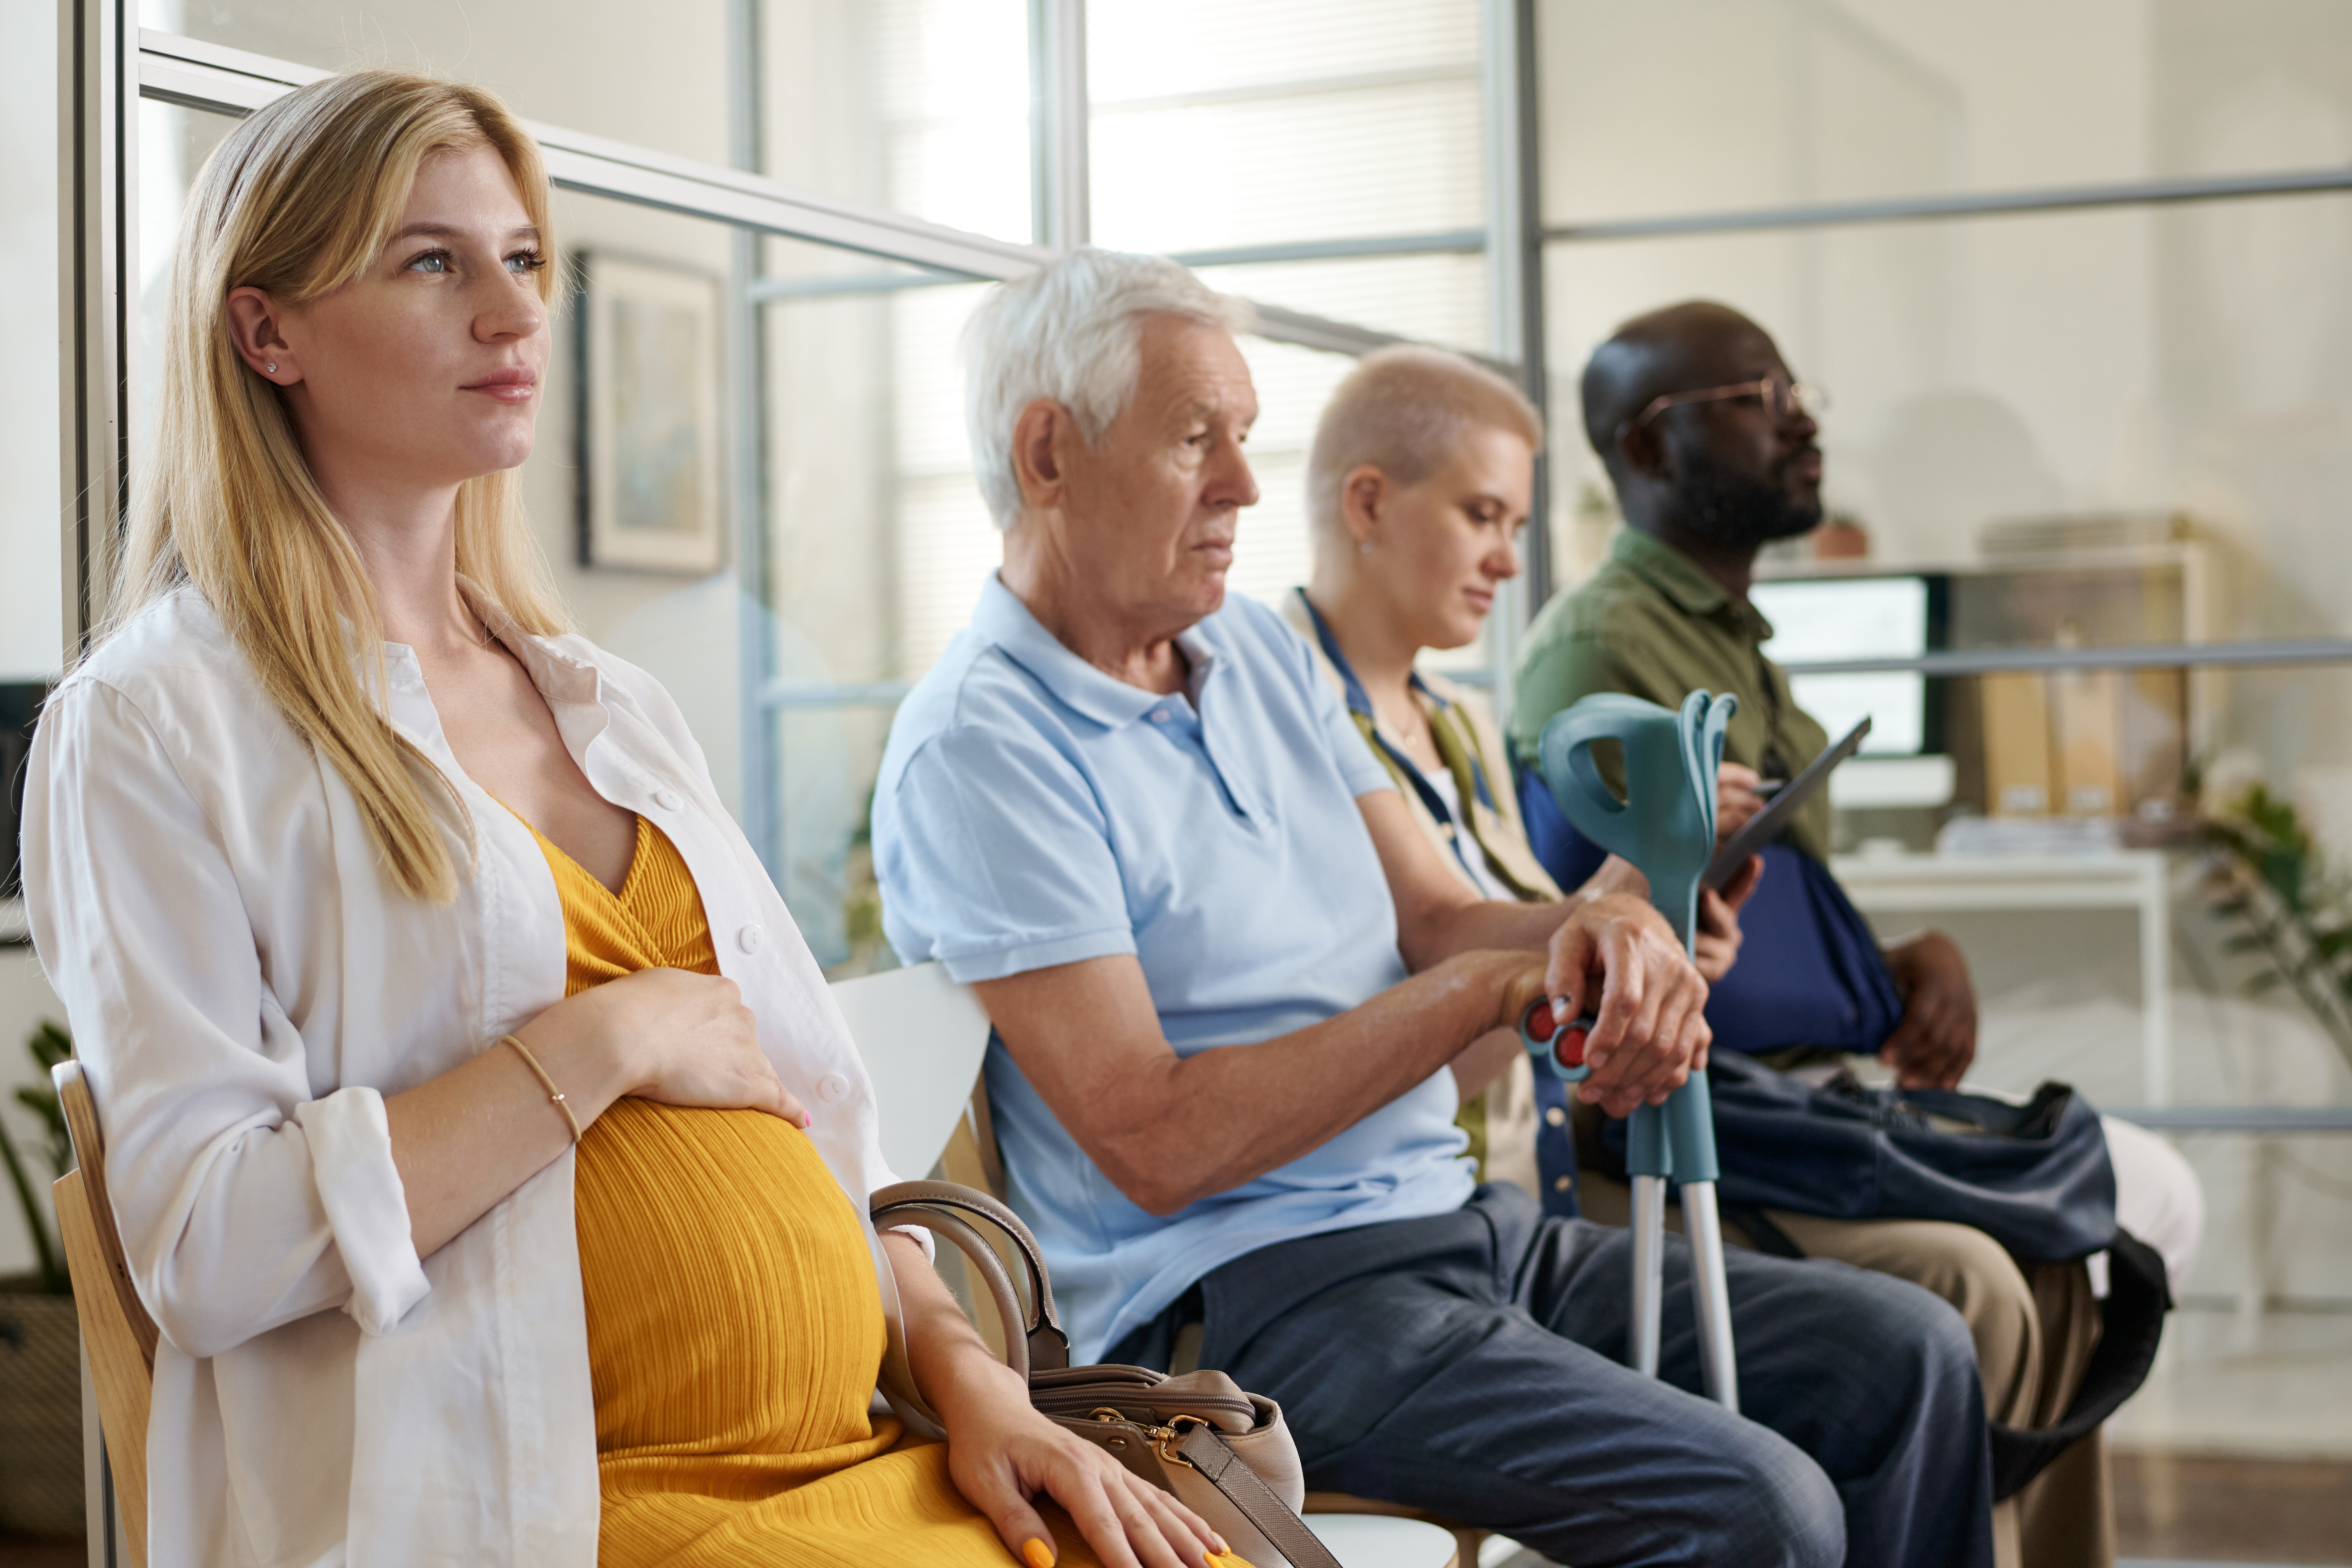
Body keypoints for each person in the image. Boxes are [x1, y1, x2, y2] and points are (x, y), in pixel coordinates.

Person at [22, 72, 1239, 1568]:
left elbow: (825, 1141)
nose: (515, 312)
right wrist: (609, 1042)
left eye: (524, 259)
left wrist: (971, 1375)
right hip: (558, 1506)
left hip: (869, 1451)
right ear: (266, 332)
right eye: (432, 262)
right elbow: (208, 1249)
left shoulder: (608, 705)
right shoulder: (157, 724)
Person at [873, 247, 1999, 1568]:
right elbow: (1153, 1135)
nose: (1243, 484)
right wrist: (1487, 988)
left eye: (1244, 438)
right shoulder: (982, 746)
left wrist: (1614, 929)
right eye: (1197, 441)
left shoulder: (1261, 657)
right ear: (1049, 454)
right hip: (1250, 1311)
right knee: (1760, 1509)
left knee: (1908, 1353)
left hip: (1461, 1228)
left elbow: (1440, 916)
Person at [1510, 300, 2209, 1568]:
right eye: (1760, 395)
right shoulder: (1603, 646)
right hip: (1679, 1115)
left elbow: (1750, 905)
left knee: (2061, 1259)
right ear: (1653, 444)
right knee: (1992, 1272)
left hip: (1772, 1088)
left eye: (1793, 388)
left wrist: (1888, 967)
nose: (1804, 418)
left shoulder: (1727, 642)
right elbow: (1621, 934)